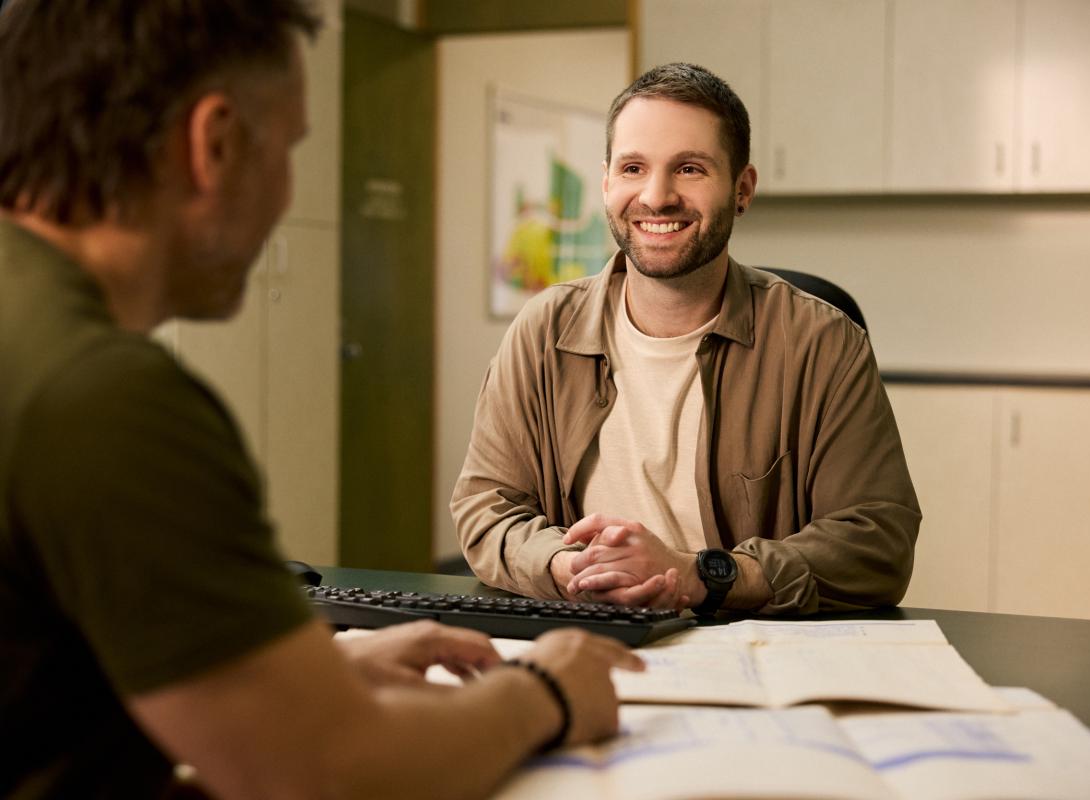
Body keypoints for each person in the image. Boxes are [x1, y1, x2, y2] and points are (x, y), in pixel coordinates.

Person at [0, 2, 642, 798]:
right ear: (215, 144)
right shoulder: (101, 396)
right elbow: (332, 772)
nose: (286, 193)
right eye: (289, 149)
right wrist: (546, 691)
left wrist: (308, 671)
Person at [452, 63, 921, 616]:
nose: (657, 197)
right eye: (633, 168)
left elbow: (877, 542)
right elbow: (487, 508)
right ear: (606, 183)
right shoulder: (543, 332)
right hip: (589, 634)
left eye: (690, 168)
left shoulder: (822, 343)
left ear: (742, 190)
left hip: (750, 645)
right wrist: (568, 567)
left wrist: (699, 576)